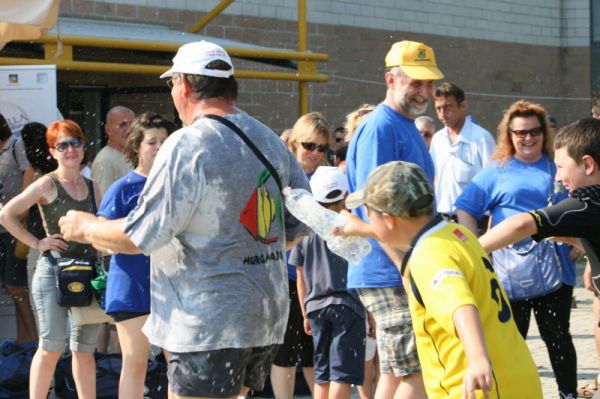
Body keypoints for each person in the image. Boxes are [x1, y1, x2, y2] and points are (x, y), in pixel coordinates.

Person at [57, 40, 311, 399]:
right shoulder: (269, 139)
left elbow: (144, 234)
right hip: (263, 316)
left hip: (206, 321)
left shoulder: (188, 143)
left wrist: (85, 227)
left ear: (186, 85)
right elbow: (298, 225)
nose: (173, 92)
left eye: (172, 83)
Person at [335, 160, 543, 399]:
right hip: (516, 375)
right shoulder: (456, 234)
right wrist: (366, 230)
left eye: (368, 214)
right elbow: (411, 261)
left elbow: (461, 305)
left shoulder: (429, 255)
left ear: (389, 219)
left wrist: (477, 359)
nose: (367, 219)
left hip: (475, 387)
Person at [455, 100, 577, 398]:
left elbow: (584, 202)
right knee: (511, 340)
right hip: (509, 272)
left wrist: (582, 241)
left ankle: (567, 394)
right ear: (508, 134)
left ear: (544, 133)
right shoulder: (496, 170)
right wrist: (476, 247)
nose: (527, 137)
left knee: (558, 338)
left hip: (557, 269)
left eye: (534, 131)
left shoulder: (557, 165)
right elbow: (466, 207)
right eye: (520, 132)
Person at [344, 40, 443, 399]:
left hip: (399, 263)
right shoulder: (381, 128)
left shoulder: (403, 126)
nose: (423, 92)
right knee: (416, 373)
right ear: (390, 79)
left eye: (428, 83)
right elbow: (377, 208)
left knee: (395, 371)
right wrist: (406, 267)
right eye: (414, 82)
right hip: (390, 267)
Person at [476, 117, 600, 399]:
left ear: (588, 165)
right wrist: (575, 239)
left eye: (560, 167)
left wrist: (467, 251)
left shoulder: (586, 201)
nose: (557, 177)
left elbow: (521, 225)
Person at [0, 120, 101, 399]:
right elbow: (6, 215)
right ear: (53, 151)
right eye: (63, 145)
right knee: (51, 346)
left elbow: (103, 227)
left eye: (75, 142)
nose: (70, 150)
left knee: (84, 350)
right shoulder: (47, 182)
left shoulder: (94, 186)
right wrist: (37, 242)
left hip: (87, 274)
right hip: (54, 272)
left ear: (83, 146)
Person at [97, 112, 175, 398]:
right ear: (137, 147)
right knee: (135, 363)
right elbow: (100, 237)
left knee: (180, 365)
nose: (158, 146)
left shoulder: (177, 185)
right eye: (152, 141)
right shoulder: (122, 189)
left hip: (174, 288)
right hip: (133, 287)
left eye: (164, 141)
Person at [290, 166, 366, 399]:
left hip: (315, 307)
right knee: (342, 373)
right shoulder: (350, 226)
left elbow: (300, 276)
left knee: (322, 373)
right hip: (347, 305)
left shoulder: (306, 230)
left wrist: (304, 313)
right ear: (345, 196)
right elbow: (362, 269)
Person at [271, 111, 332, 399]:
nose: (316, 153)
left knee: (313, 353)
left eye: (322, 147)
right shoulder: (279, 177)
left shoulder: (329, 178)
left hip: (319, 278)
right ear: (294, 143)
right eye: (310, 145)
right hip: (285, 274)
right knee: (284, 351)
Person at [430, 82, 495, 220]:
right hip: (442, 218)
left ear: (463, 106)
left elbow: (493, 183)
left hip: (474, 219)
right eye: (438, 109)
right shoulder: (437, 139)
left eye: (448, 107)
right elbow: (435, 178)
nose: (442, 114)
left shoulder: (482, 138)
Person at [0, 113, 38, 344]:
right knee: (11, 287)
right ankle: (22, 342)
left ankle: (33, 341)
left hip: (16, 228)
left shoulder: (16, 145)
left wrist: (19, 209)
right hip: (2, 230)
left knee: (16, 286)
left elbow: (29, 172)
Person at [91, 105, 135, 195]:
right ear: (108, 129)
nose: (129, 130)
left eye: (132, 124)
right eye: (122, 125)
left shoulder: (131, 155)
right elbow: (103, 203)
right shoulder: (105, 161)